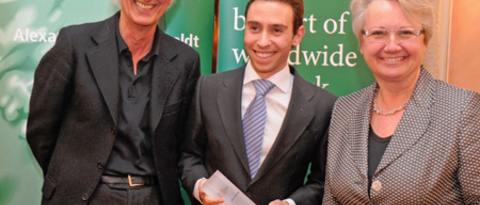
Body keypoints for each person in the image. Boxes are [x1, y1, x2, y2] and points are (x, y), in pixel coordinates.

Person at [26, 0, 200, 204]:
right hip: (85, 197)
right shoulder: (74, 43)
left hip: (153, 197)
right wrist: (70, 178)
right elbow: (41, 129)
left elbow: (186, 146)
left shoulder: (186, 61)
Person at [178, 0, 337, 205]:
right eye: (254, 28)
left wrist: (291, 204)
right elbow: (189, 155)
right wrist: (200, 186)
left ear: (297, 35)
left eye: (276, 30)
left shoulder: (323, 106)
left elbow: (322, 180)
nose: (262, 42)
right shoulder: (208, 89)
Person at [322, 0, 480, 204]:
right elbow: (331, 198)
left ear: (425, 41)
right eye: (378, 33)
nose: (392, 45)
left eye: (405, 32)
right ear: (361, 43)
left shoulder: (462, 108)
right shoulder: (344, 108)